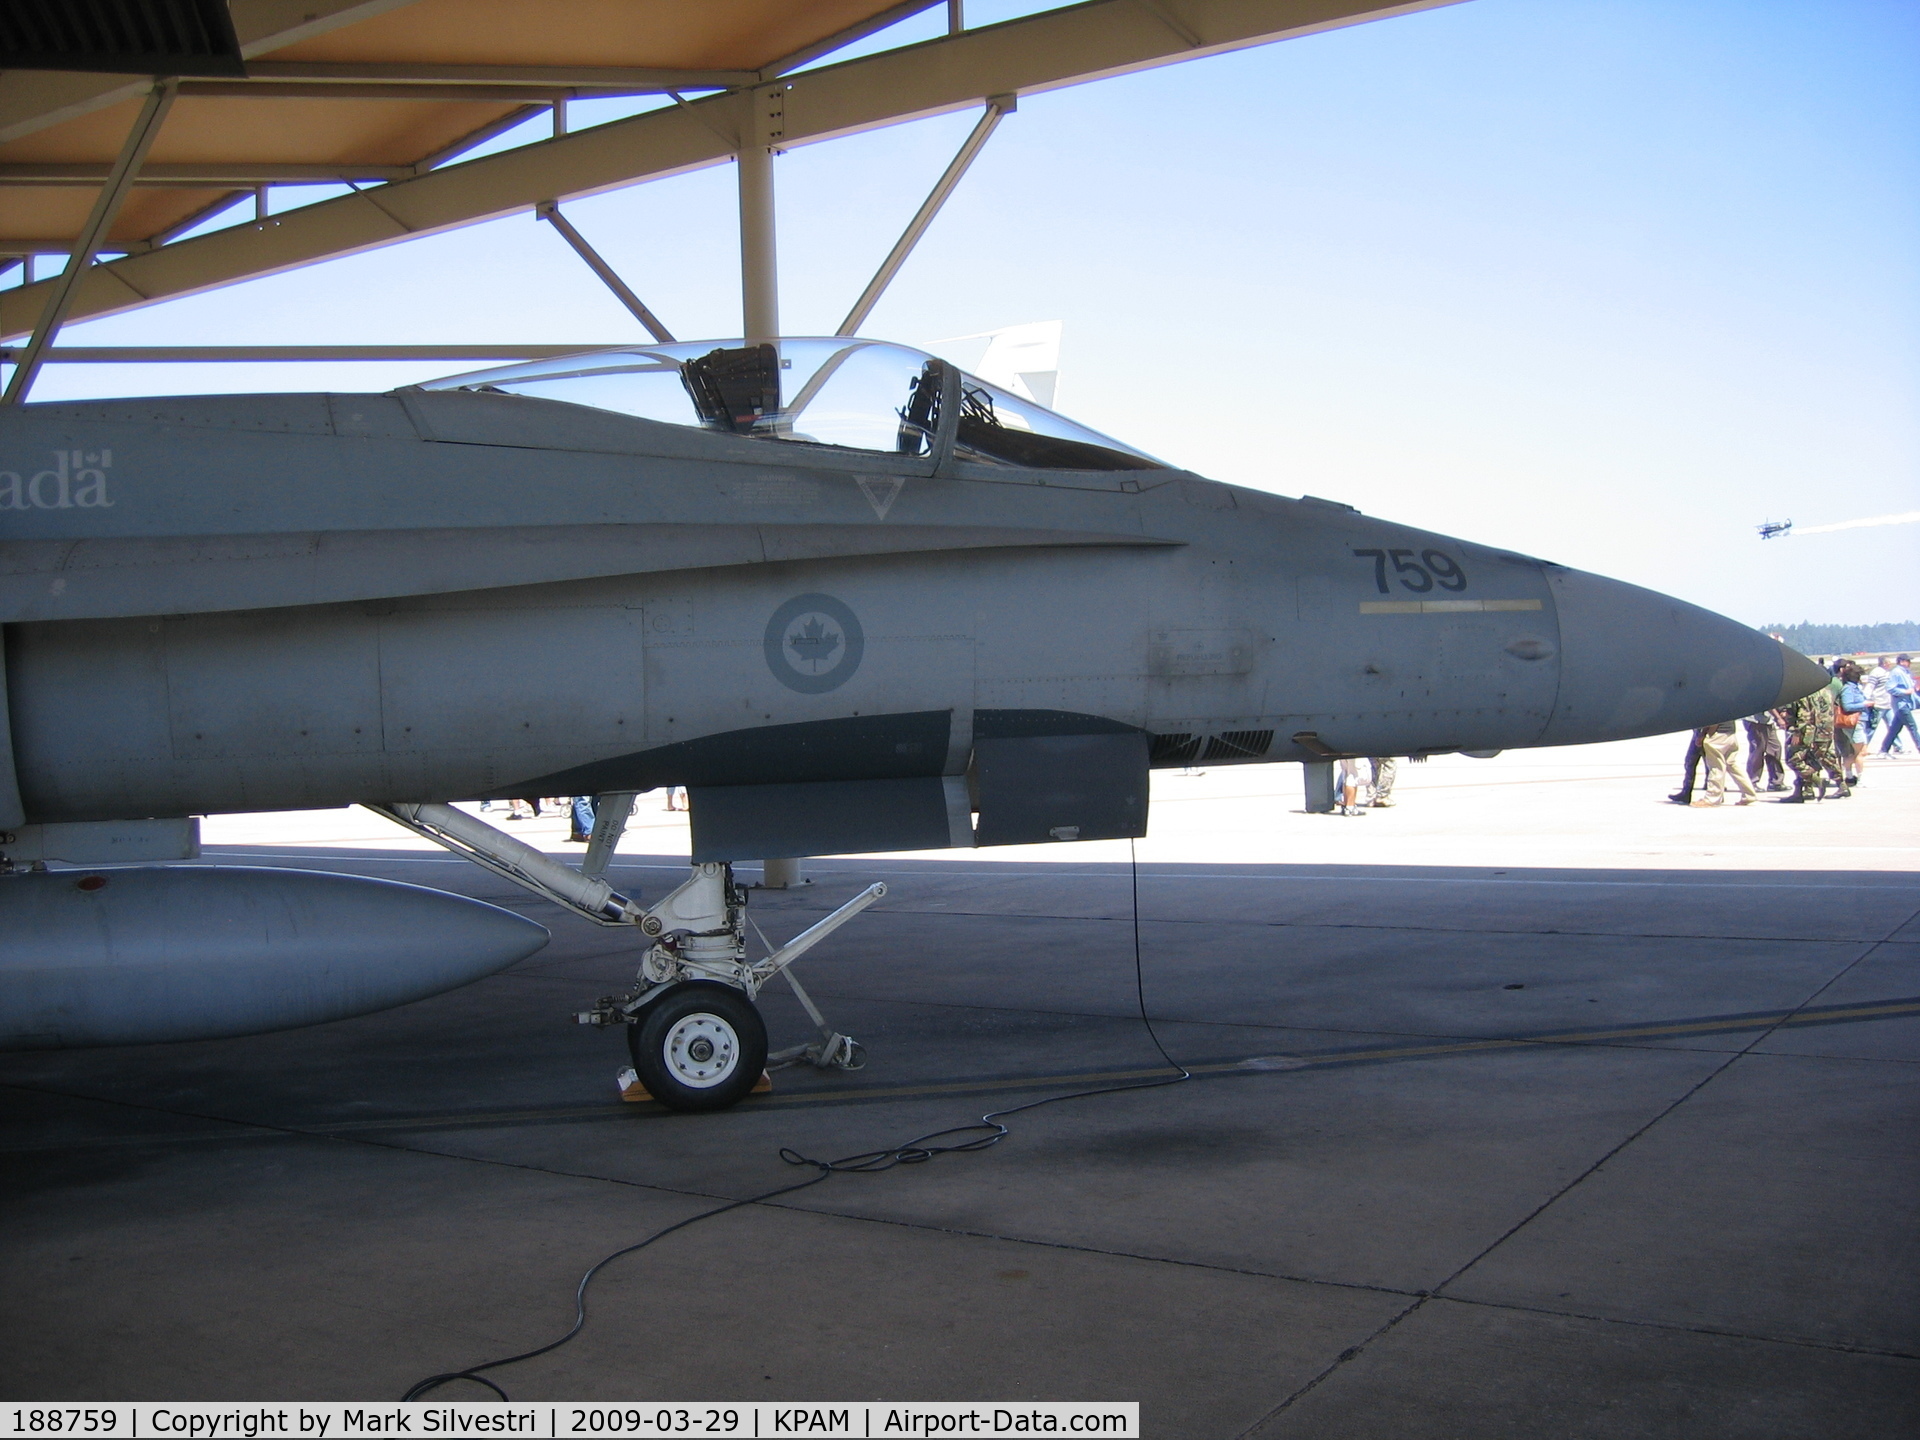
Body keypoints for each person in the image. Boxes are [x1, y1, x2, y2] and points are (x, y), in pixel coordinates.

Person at [1778, 686, 1847, 802]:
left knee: (1794, 759)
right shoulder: (1825, 690)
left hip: (1807, 730)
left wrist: (1797, 731)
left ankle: (1816, 780)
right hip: (1824, 729)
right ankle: (1807, 790)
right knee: (1821, 758)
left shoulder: (1803, 691)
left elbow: (1804, 714)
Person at [1692, 719, 1757, 807]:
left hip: (1717, 734)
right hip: (1730, 733)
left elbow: (1713, 717)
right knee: (1733, 765)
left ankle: (1712, 798)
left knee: (1716, 767)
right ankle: (1749, 795)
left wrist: (1703, 734)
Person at [1835, 662, 1869, 786]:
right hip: (1854, 723)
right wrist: (1864, 704)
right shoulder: (1848, 689)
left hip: (1859, 722)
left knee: (1855, 752)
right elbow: (1847, 706)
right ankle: (1860, 778)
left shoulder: (1854, 688)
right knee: (1861, 752)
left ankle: (1849, 774)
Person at [1879, 656, 1917, 757]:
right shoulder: (1896, 672)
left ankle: (1883, 750)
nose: (1909, 663)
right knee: (1913, 727)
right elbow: (1890, 688)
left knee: (1894, 729)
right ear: (1902, 662)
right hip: (1901, 705)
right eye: (1908, 661)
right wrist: (1904, 692)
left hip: (1906, 704)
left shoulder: (1906, 673)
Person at [1743, 707, 1786, 791]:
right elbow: (1768, 704)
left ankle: (1776, 782)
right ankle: (1752, 782)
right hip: (1756, 721)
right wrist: (1779, 718)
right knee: (1758, 751)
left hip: (1768, 720)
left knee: (1775, 749)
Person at [1668, 730, 1704, 803]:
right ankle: (1686, 792)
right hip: (1700, 733)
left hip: (1702, 733)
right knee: (1690, 762)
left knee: (1690, 762)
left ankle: (1686, 792)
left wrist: (1701, 735)